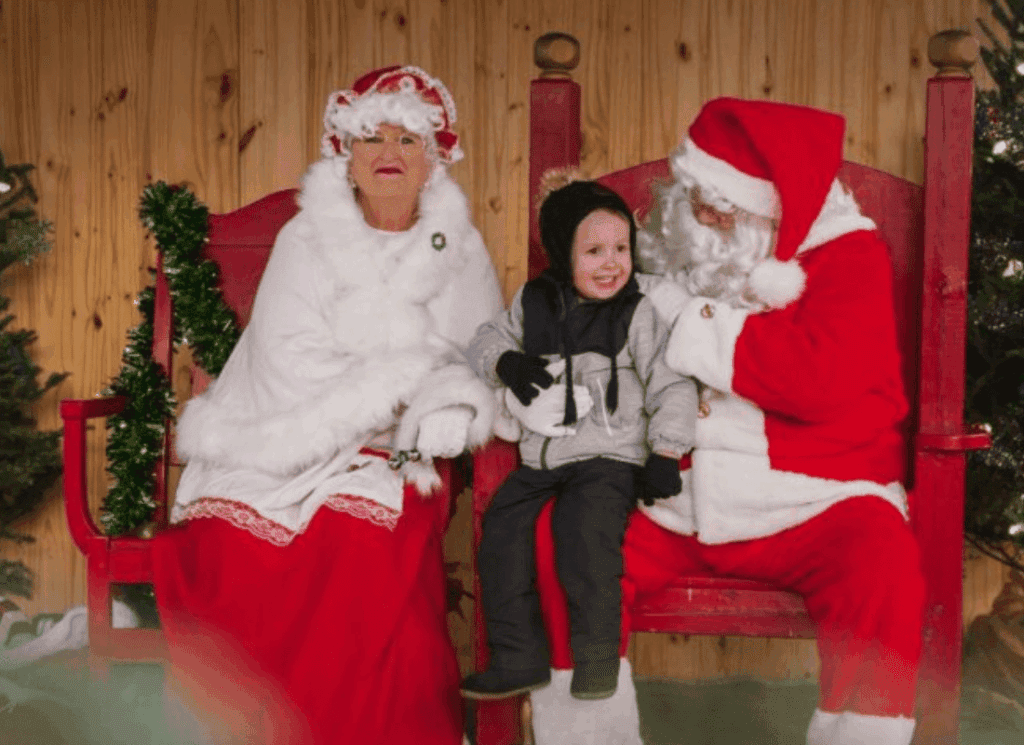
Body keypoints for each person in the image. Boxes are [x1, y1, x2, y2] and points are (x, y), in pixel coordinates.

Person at [527, 97, 926, 745]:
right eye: (694, 197)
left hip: (809, 499)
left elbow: (815, 380)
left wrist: (684, 316)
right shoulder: (669, 242)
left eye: (722, 206)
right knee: (566, 533)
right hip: (671, 496)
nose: (703, 218)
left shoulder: (849, 257)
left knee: (882, 563)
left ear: (774, 209)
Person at [149, 65, 504, 745]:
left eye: (407, 139)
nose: (389, 153)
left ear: (433, 155)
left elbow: (477, 356)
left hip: (393, 453)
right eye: (373, 138)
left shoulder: (457, 245)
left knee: (362, 541)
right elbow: (287, 360)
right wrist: (399, 386)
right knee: (237, 547)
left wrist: (445, 406)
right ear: (347, 151)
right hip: (284, 437)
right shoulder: (305, 238)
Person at [461, 176, 697, 703]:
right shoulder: (534, 302)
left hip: (609, 458)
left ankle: (597, 661)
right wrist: (506, 362)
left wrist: (665, 451)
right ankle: (517, 658)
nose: (612, 263)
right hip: (543, 458)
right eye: (594, 252)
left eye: (621, 249)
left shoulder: (638, 313)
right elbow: (484, 340)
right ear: (562, 252)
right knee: (501, 532)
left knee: (584, 534)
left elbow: (673, 384)